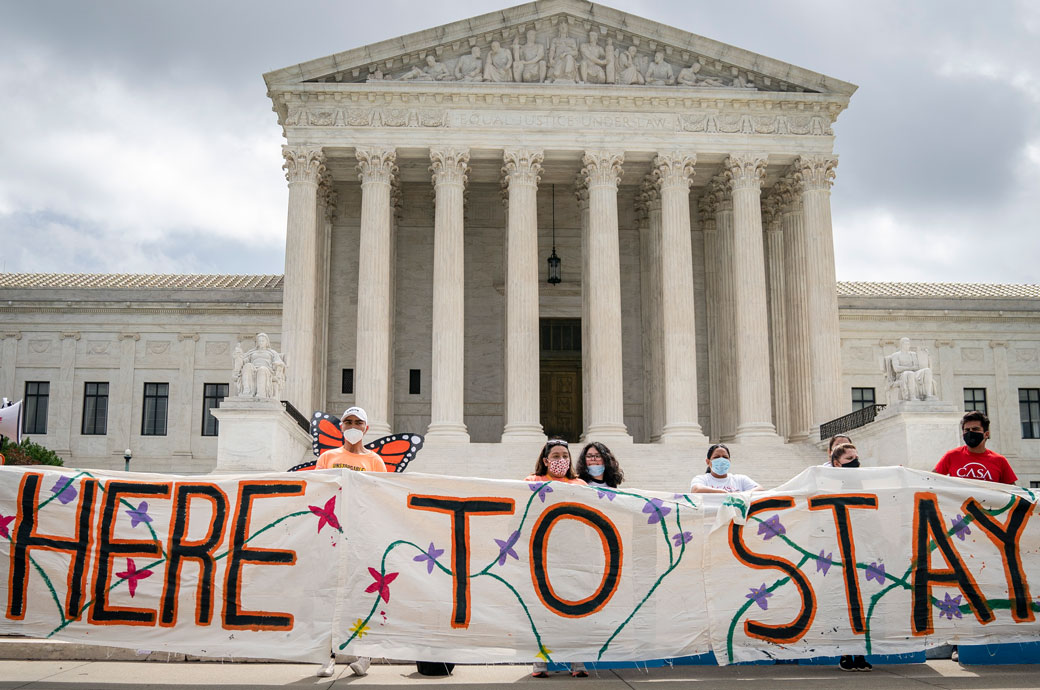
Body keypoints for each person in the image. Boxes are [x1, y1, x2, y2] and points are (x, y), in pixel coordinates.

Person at [315, 407, 385, 678]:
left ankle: (364, 654)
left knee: (361, 594)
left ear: (367, 428)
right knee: (329, 596)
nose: (353, 425)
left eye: (358, 422)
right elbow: (317, 489)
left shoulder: (375, 461)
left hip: (361, 534)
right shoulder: (328, 456)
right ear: (341, 427)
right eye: (348, 421)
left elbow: (381, 496)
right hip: (332, 534)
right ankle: (327, 656)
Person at [524, 439, 587, 678]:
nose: (561, 460)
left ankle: (577, 662)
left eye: (564, 456)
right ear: (545, 460)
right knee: (541, 609)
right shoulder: (532, 482)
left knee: (575, 608)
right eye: (556, 456)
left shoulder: (579, 483)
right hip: (542, 552)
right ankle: (540, 662)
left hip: (573, 553)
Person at [828, 442, 872, 672]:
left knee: (861, 601)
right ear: (836, 463)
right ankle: (846, 651)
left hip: (860, 546)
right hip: (836, 548)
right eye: (849, 459)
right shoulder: (826, 484)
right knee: (842, 601)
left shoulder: (863, 483)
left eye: (856, 457)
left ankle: (860, 652)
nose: (855, 462)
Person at [933, 411, 1017, 484]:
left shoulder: (1000, 461)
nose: (970, 432)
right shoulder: (951, 456)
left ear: (986, 434)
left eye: (975, 429)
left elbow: (1013, 493)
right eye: (967, 430)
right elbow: (931, 480)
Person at [688, 444, 760, 493]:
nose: (721, 460)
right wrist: (723, 493)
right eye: (716, 457)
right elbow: (696, 490)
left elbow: (760, 489)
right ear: (708, 462)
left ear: (729, 461)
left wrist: (742, 494)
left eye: (725, 457)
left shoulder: (740, 479)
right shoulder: (702, 479)